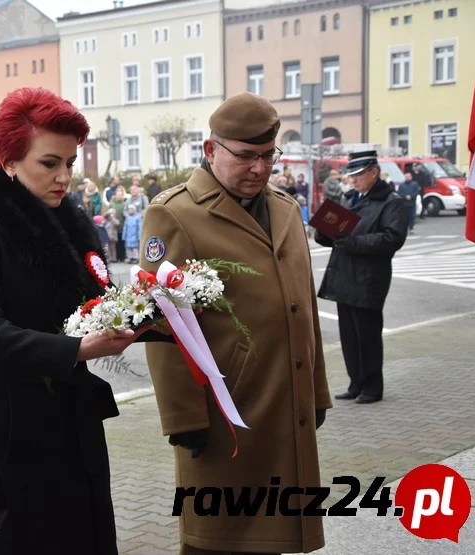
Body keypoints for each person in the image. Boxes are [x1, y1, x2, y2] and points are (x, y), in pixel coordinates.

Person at [0, 87, 154, 555]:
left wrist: (157, 308)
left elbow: (95, 306)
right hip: (13, 434)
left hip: (72, 423)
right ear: (10, 161)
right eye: (49, 163)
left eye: (71, 164)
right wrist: (77, 350)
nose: (64, 177)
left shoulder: (69, 224)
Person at [140, 92, 332, 554]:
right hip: (225, 410)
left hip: (286, 400)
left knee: (277, 530)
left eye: (268, 156)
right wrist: (183, 416)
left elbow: (302, 306)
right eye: (245, 156)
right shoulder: (175, 213)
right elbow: (161, 323)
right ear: (211, 150)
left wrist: (317, 390)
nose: (260, 168)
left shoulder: (285, 208)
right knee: (221, 537)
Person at [316, 150, 407, 404]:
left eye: (358, 175)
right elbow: (340, 233)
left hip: (369, 278)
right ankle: (355, 383)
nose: (353, 180)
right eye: (351, 175)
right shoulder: (351, 198)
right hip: (346, 274)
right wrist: (324, 233)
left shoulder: (390, 201)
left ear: (374, 173)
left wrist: (354, 242)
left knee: (367, 335)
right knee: (349, 335)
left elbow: (392, 238)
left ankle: (372, 387)